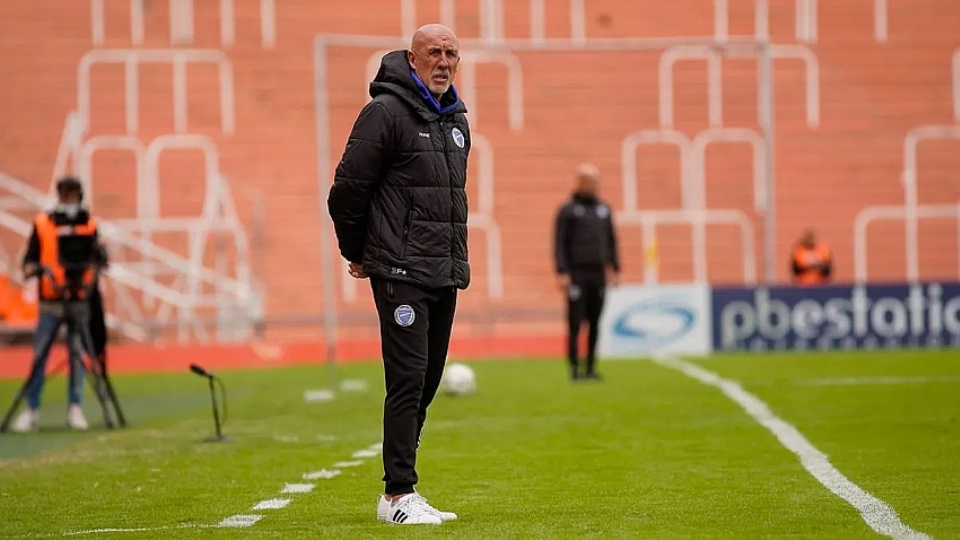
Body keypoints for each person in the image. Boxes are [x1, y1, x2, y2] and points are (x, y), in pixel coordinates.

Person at [327, 23, 469, 526]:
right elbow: (347, 190)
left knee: (428, 380)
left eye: (451, 53)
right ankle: (397, 494)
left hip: (442, 269)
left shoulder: (457, 121)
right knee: (407, 378)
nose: (443, 62)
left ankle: (404, 489)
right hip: (399, 267)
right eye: (433, 52)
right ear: (412, 59)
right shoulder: (384, 113)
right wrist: (358, 250)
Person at [11, 176, 106, 432]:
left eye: (72, 194)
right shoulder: (43, 224)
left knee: (77, 355)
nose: (69, 199)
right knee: (40, 355)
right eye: (65, 194)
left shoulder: (89, 224)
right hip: (51, 300)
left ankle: (75, 407)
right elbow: (29, 262)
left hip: (78, 299)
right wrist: (39, 270)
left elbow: (98, 259)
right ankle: (31, 409)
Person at [554, 164, 620, 381]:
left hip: (598, 273)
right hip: (577, 274)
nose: (594, 185)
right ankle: (574, 368)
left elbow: (611, 241)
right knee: (575, 322)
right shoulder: (568, 211)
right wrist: (562, 271)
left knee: (595, 321)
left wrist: (614, 267)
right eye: (590, 181)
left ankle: (591, 367)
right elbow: (560, 243)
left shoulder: (604, 210)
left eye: (596, 181)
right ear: (580, 182)